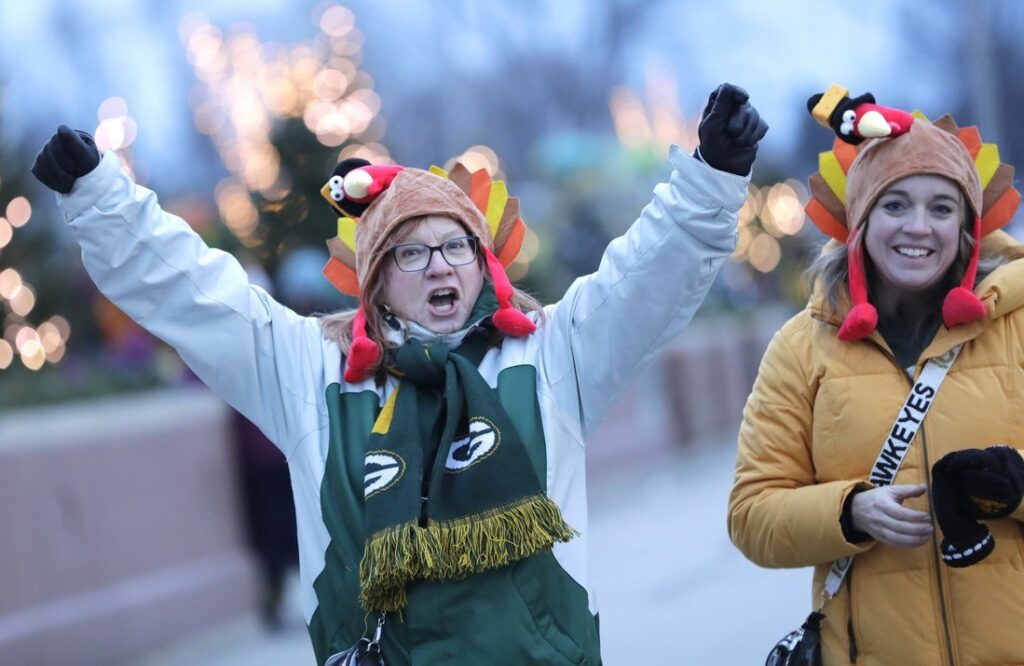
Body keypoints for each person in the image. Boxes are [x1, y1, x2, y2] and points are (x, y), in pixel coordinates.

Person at [33, 82, 767, 665]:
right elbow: (196, 294)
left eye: (457, 247)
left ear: (483, 265)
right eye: (410, 253)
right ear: (375, 281)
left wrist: (712, 180)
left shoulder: (547, 354)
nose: (440, 265)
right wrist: (102, 199)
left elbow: (643, 279)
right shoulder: (311, 373)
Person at [728, 86, 1024, 665]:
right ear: (861, 221)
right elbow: (751, 514)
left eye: (941, 208)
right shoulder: (799, 348)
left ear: (966, 229)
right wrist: (848, 510)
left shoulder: (1018, 326)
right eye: (895, 205)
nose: (919, 227)